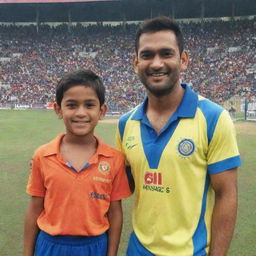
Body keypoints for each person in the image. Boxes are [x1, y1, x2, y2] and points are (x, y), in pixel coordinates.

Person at [116, 16, 241, 256]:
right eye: (147, 55)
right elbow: (122, 185)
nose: (156, 63)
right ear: (135, 62)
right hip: (137, 250)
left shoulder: (214, 118)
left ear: (183, 60)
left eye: (166, 53)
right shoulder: (125, 123)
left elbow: (226, 195)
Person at [24, 69, 131, 256]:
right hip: (50, 245)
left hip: (95, 246)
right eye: (72, 105)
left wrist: (111, 253)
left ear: (102, 111)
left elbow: (115, 213)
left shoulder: (114, 159)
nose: (81, 113)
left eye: (89, 105)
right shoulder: (43, 155)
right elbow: (34, 209)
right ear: (58, 110)